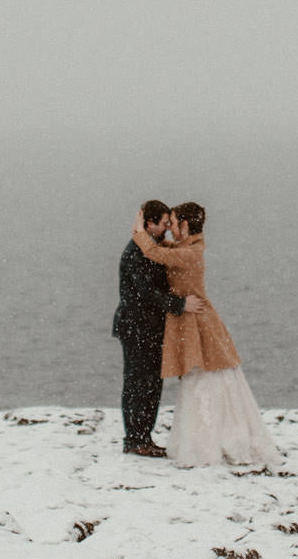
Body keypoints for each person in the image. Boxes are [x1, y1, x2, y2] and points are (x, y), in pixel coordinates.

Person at [130, 202, 282, 468]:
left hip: (198, 322)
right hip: (190, 321)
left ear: (186, 225)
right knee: (198, 377)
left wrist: (138, 229)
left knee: (204, 375)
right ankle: (203, 439)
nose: (170, 229)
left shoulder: (191, 252)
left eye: (174, 223)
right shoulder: (185, 248)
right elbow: (163, 249)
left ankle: (210, 441)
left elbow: (155, 251)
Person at [112, 199, 206, 456]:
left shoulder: (150, 246)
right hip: (137, 327)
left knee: (150, 383)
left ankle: (143, 437)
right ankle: (135, 439)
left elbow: (170, 254)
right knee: (138, 383)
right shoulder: (136, 253)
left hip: (148, 328)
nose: (167, 228)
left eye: (169, 223)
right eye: (164, 223)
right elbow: (145, 293)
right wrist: (180, 304)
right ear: (150, 223)